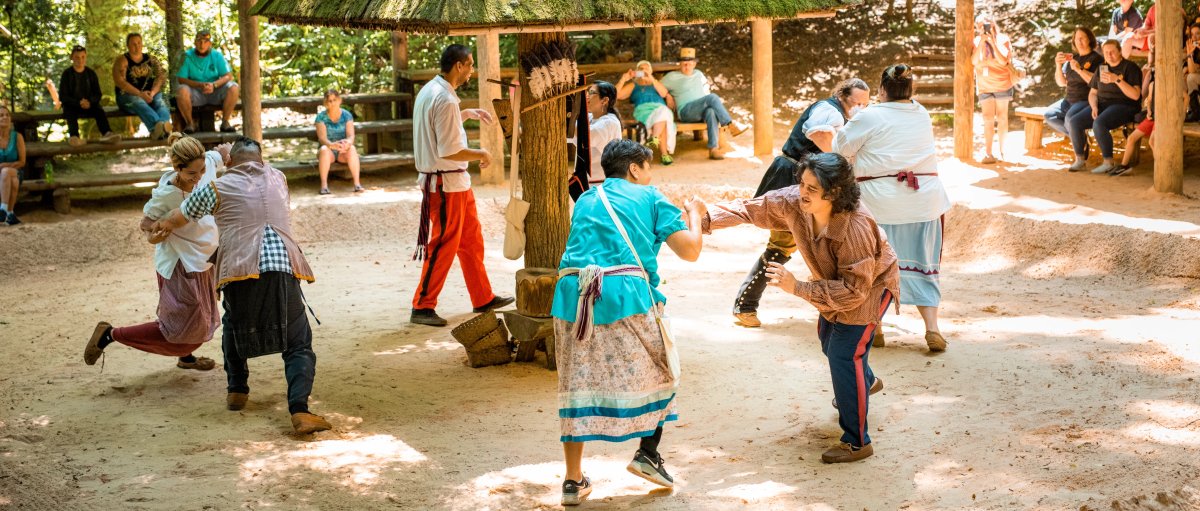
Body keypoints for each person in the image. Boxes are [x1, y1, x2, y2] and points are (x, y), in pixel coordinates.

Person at [704, 153, 899, 464]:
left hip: (870, 288)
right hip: (839, 285)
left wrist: (797, 288)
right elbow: (750, 208)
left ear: (834, 192)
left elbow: (854, 291)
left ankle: (857, 442)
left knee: (844, 353)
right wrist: (705, 221)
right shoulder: (796, 201)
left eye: (812, 188)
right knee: (827, 336)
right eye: (802, 184)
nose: (802, 192)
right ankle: (866, 381)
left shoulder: (856, 227)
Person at [551, 139, 705, 505]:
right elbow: (691, 250)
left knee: (576, 382)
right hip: (624, 295)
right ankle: (648, 453)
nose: (650, 174)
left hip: (571, 295)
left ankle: (573, 481)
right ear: (635, 168)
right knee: (667, 369)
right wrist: (694, 213)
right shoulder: (651, 197)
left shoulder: (587, 198)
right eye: (648, 166)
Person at [150, 137, 331, 435]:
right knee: (297, 342)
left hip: (238, 268)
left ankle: (237, 390)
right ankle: (299, 410)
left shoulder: (217, 188)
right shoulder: (278, 177)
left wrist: (160, 228)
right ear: (261, 159)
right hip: (283, 265)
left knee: (234, 325)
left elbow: (179, 215)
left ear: (230, 163)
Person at [732, 78, 870, 328]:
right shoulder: (828, 110)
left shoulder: (841, 114)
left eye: (865, 103)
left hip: (807, 182)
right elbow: (818, 133)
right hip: (793, 177)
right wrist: (840, 162)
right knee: (782, 245)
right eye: (856, 101)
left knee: (814, 245)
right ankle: (745, 305)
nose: (859, 106)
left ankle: (831, 304)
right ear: (842, 96)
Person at [835, 63, 952, 353]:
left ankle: (876, 326)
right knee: (924, 265)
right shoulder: (921, 113)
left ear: (881, 90)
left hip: (881, 205)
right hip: (925, 201)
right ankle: (932, 328)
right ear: (911, 91)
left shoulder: (870, 115)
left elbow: (840, 148)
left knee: (873, 264)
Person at [83, 134, 226, 370]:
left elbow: (220, 155)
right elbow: (146, 223)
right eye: (192, 174)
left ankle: (186, 356)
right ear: (176, 168)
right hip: (181, 265)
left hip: (203, 261)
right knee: (179, 327)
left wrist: (228, 153)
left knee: (198, 318)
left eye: (201, 171)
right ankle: (110, 334)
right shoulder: (166, 195)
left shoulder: (205, 164)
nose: (198, 178)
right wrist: (154, 235)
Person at [409, 44, 513, 327]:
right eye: (469, 65)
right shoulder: (445, 98)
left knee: (471, 240)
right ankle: (423, 304)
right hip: (445, 182)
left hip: (455, 182)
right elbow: (449, 149)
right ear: (458, 66)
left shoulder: (433, 90)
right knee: (443, 243)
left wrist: (466, 114)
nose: (471, 71)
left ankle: (482, 297)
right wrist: (481, 153)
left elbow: (438, 125)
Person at [1067, 39, 1142, 174]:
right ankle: (1080, 159)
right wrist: (1094, 106)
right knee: (1074, 122)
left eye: (1112, 52)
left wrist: (1117, 80)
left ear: (1120, 51)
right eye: (1106, 52)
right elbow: (1093, 93)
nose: (1109, 55)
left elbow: (1136, 95)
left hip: (1124, 105)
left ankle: (1108, 161)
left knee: (1099, 123)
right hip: (1102, 104)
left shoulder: (1130, 68)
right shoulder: (1102, 68)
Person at [660, 48, 747, 160]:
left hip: (701, 110)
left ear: (694, 64)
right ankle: (730, 125)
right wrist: (667, 95)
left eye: (689, 64)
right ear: (680, 64)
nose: (687, 66)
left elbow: (705, 91)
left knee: (711, 111)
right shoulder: (672, 77)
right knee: (712, 98)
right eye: (684, 64)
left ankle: (713, 149)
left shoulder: (699, 74)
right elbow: (655, 86)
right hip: (686, 112)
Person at [1044, 27, 1103, 148]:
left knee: (1069, 118)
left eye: (1083, 38)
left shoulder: (1097, 59)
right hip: (1068, 100)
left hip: (1085, 100)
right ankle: (1079, 137)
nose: (1079, 42)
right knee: (1049, 115)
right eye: (1077, 39)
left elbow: (1097, 82)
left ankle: (1079, 144)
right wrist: (1058, 66)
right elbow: (1062, 83)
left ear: (1090, 40)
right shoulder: (1072, 59)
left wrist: (1079, 69)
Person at [176, 30, 239, 134]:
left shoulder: (217, 55)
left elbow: (228, 75)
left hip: (215, 91)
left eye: (205, 41)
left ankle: (225, 122)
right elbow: (181, 79)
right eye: (199, 41)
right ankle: (190, 124)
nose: (202, 44)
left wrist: (214, 85)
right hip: (195, 92)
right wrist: (200, 85)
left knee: (234, 87)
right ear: (195, 42)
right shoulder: (187, 56)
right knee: (181, 90)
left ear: (210, 43)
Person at [972, 16, 1015, 164]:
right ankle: (988, 153)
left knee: (1002, 118)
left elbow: (1004, 61)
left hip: (1002, 84)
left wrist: (992, 42)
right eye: (979, 26)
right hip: (984, 85)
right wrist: (982, 41)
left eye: (985, 25)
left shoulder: (1003, 39)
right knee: (987, 119)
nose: (982, 28)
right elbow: (973, 61)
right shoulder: (976, 41)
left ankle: (1003, 151)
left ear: (993, 24)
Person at [113, 33, 173, 140]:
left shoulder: (151, 59)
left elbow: (161, 77)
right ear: (128, 46)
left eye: (139, 43)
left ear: (142, 44)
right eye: (133, 44)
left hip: (150, 95)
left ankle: (162, 127)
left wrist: (153, 93)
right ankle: (157, 127)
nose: (137, 46)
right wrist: (140, 94)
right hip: (127, 97)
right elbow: (120, 82)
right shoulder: (122, 60)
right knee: (137, 101)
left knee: (162, 100)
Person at [59, 45, 121, 147]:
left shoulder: (91, 73)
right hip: (73, 105)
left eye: (83, 57)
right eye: (77, 57)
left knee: (99, 110)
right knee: (69, 111)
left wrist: (90, 102)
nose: (80, 60)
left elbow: (98, 94)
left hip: (89, 105)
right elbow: (63, 96)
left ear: (85, 57)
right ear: (72, 58)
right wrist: (78, 103)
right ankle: (74, 137)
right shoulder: (67, 74)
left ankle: (107, 134)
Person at [617, 60, 676, 165]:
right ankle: (664, 153)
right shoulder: (634, 85)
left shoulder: (656, 84)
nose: (644, 70)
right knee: (664, 115)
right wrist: (623, 79)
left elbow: (663, 94)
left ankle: (655, 138)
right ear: (636, 71)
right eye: (641, 69)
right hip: (643, 111)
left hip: (660, 110)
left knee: (663, 113)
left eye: (646, 69)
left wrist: (651, 79)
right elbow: (617, 95)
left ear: (651, 71)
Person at [1111, 48, 1157, 177]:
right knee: (1131, 138)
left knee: (1153, 141)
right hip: (1151, 117)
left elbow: (1185, 97)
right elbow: (1149, 99)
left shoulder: (1173, 82)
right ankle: (1124, 166)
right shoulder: (1153, 83)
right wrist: (1148, 111)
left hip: (1163, 119)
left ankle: (1160, 168)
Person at [314, 89, 362, 195]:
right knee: (324, 150)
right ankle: (324, 186)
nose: (332, 103)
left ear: (339, 100)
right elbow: (322, 138)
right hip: (328, 150)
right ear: (326, 103)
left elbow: (351, 135)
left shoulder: (347, 115)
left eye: (334, 100)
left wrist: (348, 143)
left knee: (352, 149)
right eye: (329, 101)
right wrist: (331, 145)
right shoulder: (320, 117)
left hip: (342, 150)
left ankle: (357, 184)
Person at [583, 81, 622, 184]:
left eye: (591, 92)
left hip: (602, 184)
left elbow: (585, 135)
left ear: (604, 100)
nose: (587, 96)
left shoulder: (609, 122)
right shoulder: (591, 117)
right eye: (587, 92)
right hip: (589, 182)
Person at [0, 105, 26, 225]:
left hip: (16, 170)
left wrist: (5, 165)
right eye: (1, 115)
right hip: (5, 175)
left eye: (7, 115)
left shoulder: (17, 137)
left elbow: (22, 162)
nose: (5, 117)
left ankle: (3, 209)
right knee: (13, 180)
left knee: (6, 172)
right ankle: (10, 213)